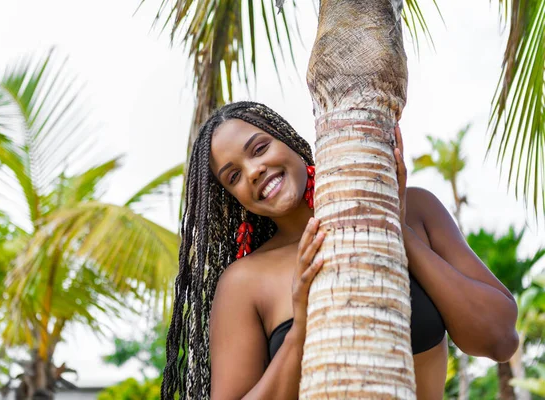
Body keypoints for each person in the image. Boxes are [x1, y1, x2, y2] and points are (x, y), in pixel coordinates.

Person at [161, 101, 519, 399]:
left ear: (288, 142)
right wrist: (301, 326)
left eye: (259, 148)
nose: (253, 171)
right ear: (233, 197)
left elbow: (500, 340)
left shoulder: (418, 210)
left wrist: (394, 226)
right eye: (233, 176)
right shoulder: (244, 282)